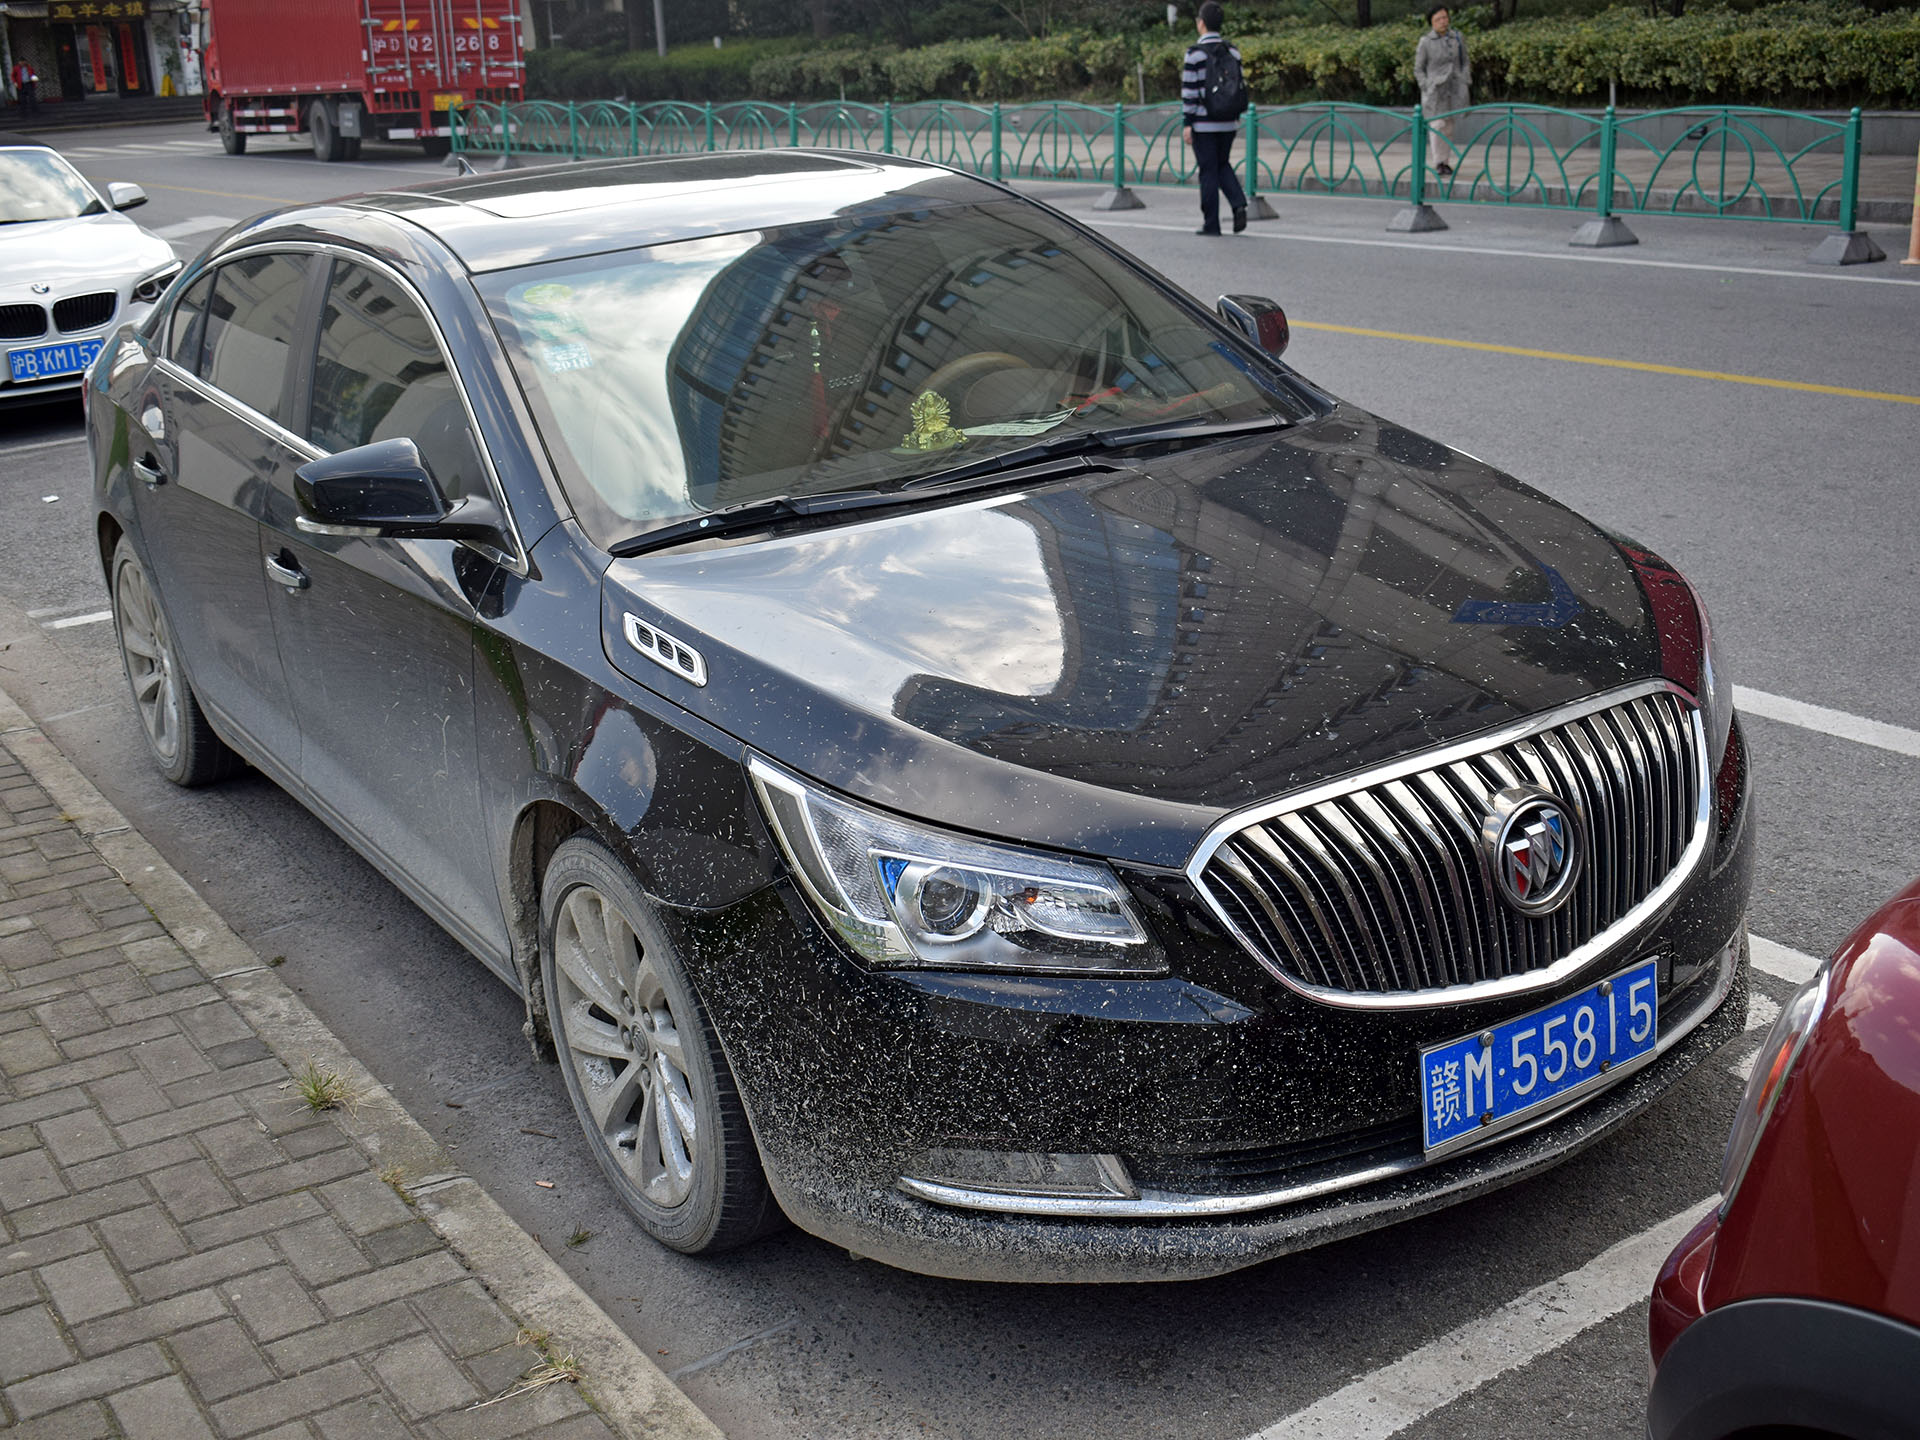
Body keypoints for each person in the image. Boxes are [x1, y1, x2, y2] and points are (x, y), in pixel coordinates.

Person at [1181, 1, 1248, 236]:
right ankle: (1238, 203)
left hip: (1203, 124)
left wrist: (1187, 123)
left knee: (1208, 171)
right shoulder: (1233, 51)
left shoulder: (1194, 54)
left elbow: (1190, 92)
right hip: (1229, 121)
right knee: (1222, 164)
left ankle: (1212, 224)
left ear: (1201, 23)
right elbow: (1240, 85)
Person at [1414, 6, 1469, 178]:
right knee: (1437, 126)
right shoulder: (1426, 42)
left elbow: (1465, 61)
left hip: (1453, 88)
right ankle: (1438, 162)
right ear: (1432, 22)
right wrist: (1426, 85)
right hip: (1435, 91)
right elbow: (1418, 68)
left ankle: (1446, 162)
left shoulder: (1457, 38)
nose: (1443, 22)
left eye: (1445, 17)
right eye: (1438, 19)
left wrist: (1465, 78)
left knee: (1449, 127)